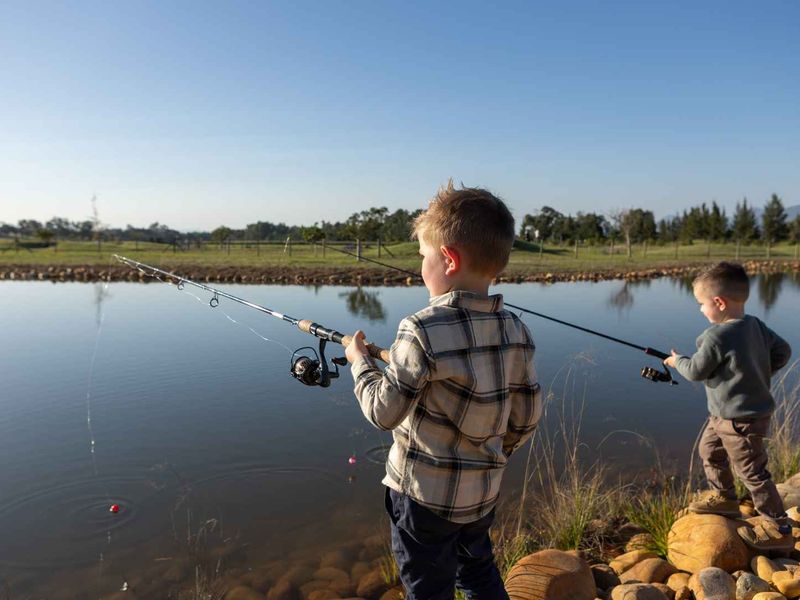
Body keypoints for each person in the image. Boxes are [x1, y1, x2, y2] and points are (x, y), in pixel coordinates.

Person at [345, 182, 542, 599]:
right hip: (482, 496)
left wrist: (359, 361)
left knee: (427, 589)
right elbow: (526, 420)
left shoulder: (420, 328)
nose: (420, 268)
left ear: (448, 259)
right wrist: (490, 456)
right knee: (478, 574)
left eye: (422, 257)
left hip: (422, 501)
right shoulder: (517, 331)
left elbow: (383, 412)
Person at [664, 262, 793, 551]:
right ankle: (725, 498)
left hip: (740, 420)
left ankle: (779, 528)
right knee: (709, 451)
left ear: (719, 302)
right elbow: (783, 351)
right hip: (723, 416)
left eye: (701, 304)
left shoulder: (716, 336)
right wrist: (756, 373)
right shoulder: (755, 325)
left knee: (753, 472)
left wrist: (676, 361)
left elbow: (696, 371)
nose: (700, 310)